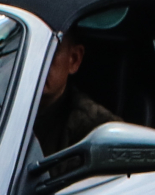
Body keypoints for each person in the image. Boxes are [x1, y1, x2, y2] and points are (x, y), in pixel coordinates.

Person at [35, 21, 121, 155]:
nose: (37, 59)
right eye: (28, 47)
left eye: (49, 49)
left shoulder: (96, 130)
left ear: (74, 59)